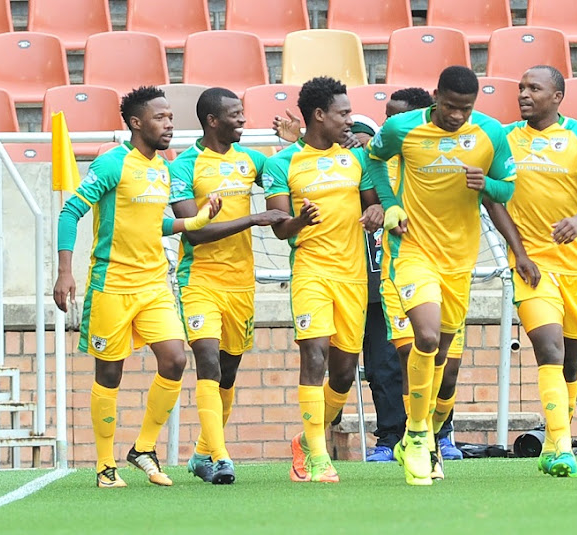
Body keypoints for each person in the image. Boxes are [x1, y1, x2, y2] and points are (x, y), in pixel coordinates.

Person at [53, 86, 221, 488]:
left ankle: (143, 448)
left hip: (153, 283)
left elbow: (154, 223)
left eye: (170, 117)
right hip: (111, 284)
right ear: (136, 123)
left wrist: (194, 222)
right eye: (161, 118)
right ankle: (104, 465)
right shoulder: (112, 163)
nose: (170, 124)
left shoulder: (162, 168)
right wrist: (64, 272)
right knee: (109, 374)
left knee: (175, 359)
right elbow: (70, 210)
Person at [367, 65, 516, 486]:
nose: (457, 116)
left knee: (444, 358)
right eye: (450, 107)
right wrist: (391, 202)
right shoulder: (401, 128)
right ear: (436, 96)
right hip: (412, 251)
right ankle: (415, 435)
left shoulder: (490, 134)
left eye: (465, 109)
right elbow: (374, 159)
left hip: (459, 260)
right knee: (426, 338)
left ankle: (428, 434)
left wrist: (487, 183)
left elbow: (508, 189)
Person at [483, 65, 577, 478]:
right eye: (520, 87)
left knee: (570, 364)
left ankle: (555, 442)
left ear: (557, 96)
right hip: (532, 268)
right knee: (550, 352)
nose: (523, 94)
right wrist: (518, 253)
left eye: (533, 88)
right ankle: (562, 446)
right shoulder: (504, 139)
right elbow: (492, 197)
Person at [263, 76, 385, 483]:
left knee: (345, 374)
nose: (350, 121)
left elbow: (375, 205)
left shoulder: (357, 158)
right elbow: (280, 227)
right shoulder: (282, 163)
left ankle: (305, 440)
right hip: (311, 272)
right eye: (344, 113)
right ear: (319, 115)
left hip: (352, 277)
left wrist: (376, 214)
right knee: (313, 355)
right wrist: (300, 219)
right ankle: (318, 456)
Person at [169, 87, 290, 485]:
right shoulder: (185, 166)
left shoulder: (252, 160)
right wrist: (252, 219)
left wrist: (295, 143)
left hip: (241, 283)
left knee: (228, 371)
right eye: (235, 114)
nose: (243, 119)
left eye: (243, 112)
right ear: (212, 120)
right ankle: (221, 457)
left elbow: (285, 174)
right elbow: (195, 234)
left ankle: (202, 453)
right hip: (200, 279)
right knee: (206, 360)